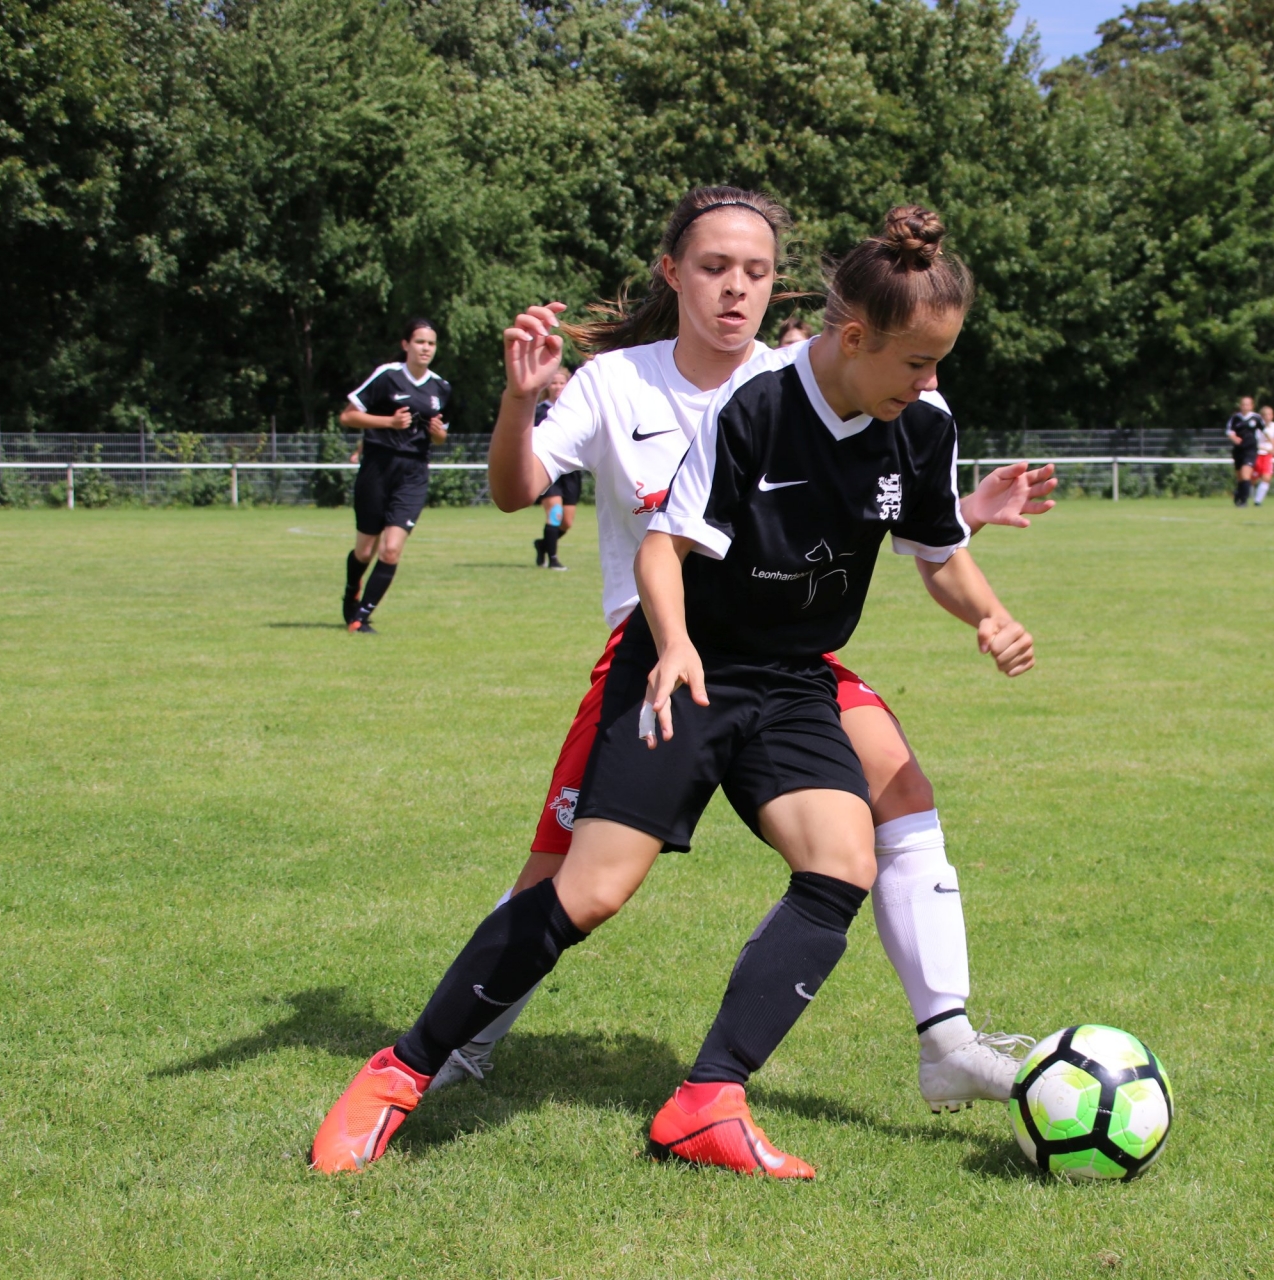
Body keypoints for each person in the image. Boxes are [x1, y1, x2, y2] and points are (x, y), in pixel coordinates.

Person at [309, 204, 1033, 1180]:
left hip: (792, 679)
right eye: (917, 361)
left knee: (841, 862)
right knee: (590, 890)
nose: (930, 380)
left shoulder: (922, 422)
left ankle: (707, 1102)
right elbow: (663, 547)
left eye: (938, 361)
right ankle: (399, 1072)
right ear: (856, 337)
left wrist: (988, 614)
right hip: (684, 663)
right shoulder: (759, 405)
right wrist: (680, 644)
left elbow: (937, 551)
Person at [339, 319, 450, 632]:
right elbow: (348, 416)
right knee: (365, 550)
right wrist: (389, 422)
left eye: (431, 343)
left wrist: (438, 432)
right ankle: (352, 591)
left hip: (413, 472)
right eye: (420, 342)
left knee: (390, 549)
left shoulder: (441, 387)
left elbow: (441, 437)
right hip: (377, 467)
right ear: (406, 345)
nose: (426, 348)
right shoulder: (387, 376)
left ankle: (360, 617)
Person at [532, 366, 578, 570]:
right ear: (547, 386)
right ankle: (553, 559)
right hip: (548, 467)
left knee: (566, 521)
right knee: (555, 512)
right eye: (554, 382)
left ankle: (543, 544)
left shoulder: (574, 409)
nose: (558, 386)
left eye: (561, 382)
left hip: (571, 472)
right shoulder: (539, 410)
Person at [1224, 395, 1263, 507]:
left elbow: (1265, 431)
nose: (1245, 406)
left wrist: (1273, 446)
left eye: (1247, 404)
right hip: (1238, 450)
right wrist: (1234, 438)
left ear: (1251, 406)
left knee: (1246, 474)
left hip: (1250, 449)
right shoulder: (1235, 418)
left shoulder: (1256, 418)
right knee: (1240, 477)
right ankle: (1239, 494)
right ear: (1240, 406)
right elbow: (1229, 431)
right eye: (1243, 404)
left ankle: (1244, 501)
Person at [1253, 405, 1274, 505]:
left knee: (1267, 478)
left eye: (1269, 414)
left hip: (1267, 456)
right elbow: (1255, 444)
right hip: (1256, 454)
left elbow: (1272, 438)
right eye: (1265, 415)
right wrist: (1269, 448)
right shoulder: (1256, 427)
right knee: (1252, 480)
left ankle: (1258, 501)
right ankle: (1243, 496)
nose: (1267, 417)